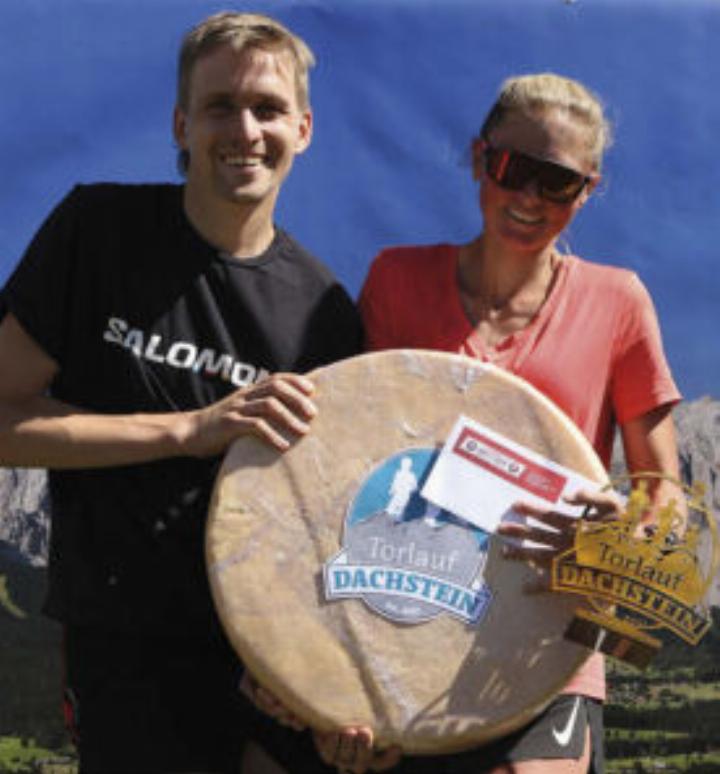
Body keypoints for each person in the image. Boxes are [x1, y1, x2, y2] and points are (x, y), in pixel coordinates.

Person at [0, 11, 361, 774]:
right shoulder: (94, 229)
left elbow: (330, 519)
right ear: (181, 123)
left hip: (264, 661)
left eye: (267, 109)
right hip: (124, 649)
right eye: (219, 106)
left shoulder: (326, 311)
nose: (245, 129)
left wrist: (318, 674)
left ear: (304, 127)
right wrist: (187, 429)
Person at [316, 73, 681, 774]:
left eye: (559, 184)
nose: (529, 199)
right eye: (514, 169)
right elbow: (346, 465)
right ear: (482, 158)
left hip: (549, 655)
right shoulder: (397, 281)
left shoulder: (619, 303)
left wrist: (608, 535)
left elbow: (661, 495)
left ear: (588, 191)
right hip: (405, 637)